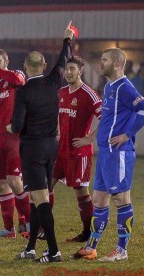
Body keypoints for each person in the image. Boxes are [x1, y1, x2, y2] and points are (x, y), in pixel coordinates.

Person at [71, 48, 144, 261]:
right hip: (106, 154)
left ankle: (121, 250)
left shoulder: (125, 87)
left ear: (117, 63)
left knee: (121, 200)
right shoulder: (109, 87)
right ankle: (91, 247)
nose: (101, 63)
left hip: (119, 154)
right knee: (98, 199)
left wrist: (127, 134)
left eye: (104, 60)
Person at [7, 21, 74, 263]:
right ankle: (31, 247)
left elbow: (17, 125)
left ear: (25, 67)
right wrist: (67, 40)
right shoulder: (54, 81)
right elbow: (63, 60)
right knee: (38, 198)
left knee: (40, 199)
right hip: (51, 146)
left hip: (32, 149)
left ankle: (54, 250)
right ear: (44, 66)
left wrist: (11, 126)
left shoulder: (23, 92)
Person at [0, 48, 30, 239]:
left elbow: (19, 81)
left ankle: (28, 221)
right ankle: (9, 229)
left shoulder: (14, 75)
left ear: (6, 61)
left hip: (13, 138)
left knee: (15, 181)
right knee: (1, 183)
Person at [52, 56, 102, 243]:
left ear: (80, 71)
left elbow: (105, 117)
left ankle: (87, 233)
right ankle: (42, 228)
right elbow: (58, 114)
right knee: (46, 185)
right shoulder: (62, 92)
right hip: (60, 150)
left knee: (81, 192)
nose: (69, 72)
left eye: (72, 69)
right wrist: (57, 132)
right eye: (66, 69)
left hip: (78, 153)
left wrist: (89, 138)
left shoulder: (89, 94)